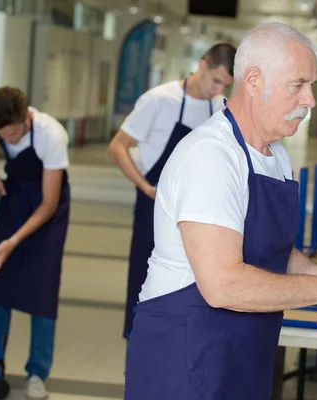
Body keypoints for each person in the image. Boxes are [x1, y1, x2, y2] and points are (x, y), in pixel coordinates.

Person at [123, 22, 317, 399]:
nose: (310, 100)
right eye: (299, 85)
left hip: (242, 352)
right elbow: (222, 285)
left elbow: (272, 250)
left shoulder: (275, 154)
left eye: (312, 86)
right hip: (184, 356)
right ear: (255, 80)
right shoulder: (211, 156)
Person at [107, 42, 236, 338]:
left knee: (191, 282)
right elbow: (117, 148)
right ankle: (137, 355)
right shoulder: (159, 99)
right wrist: (144, 186)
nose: (218, 90)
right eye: (216, 80)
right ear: (202, 65)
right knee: (144, 281)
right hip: (153, 205)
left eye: (225, 85)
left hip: (196, 210)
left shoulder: (217, 108)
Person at [0, 86, 70, 398]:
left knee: (42, 290)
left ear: (26, 117)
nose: (11, 138)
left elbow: (49, 203)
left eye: (15, 132)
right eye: (5, 134)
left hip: (47, 209)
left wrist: (14, 240)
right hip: (13, 195)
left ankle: (37, 373)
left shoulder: (51, 135)